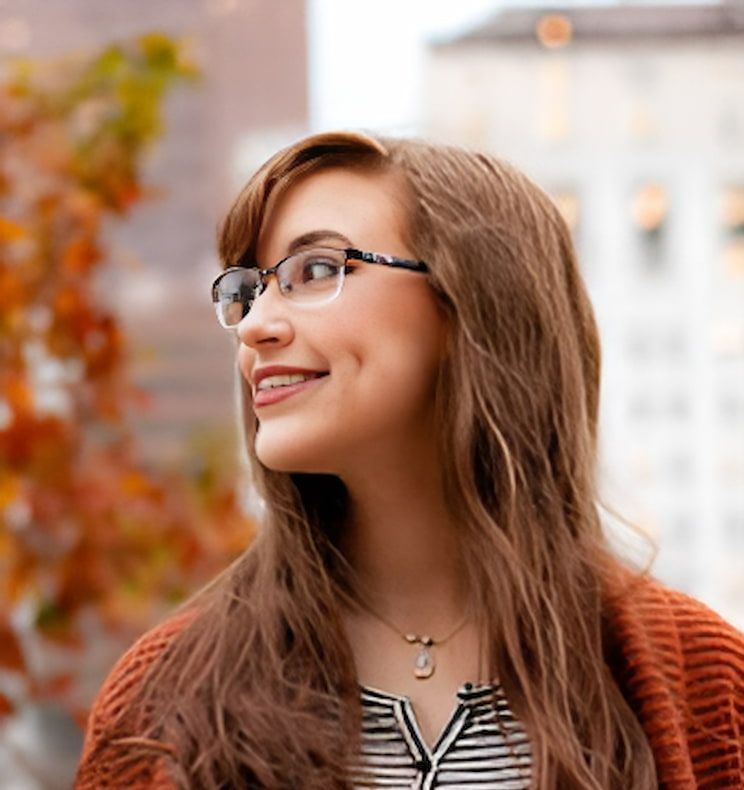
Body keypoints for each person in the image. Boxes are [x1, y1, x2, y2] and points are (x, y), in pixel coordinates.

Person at [75, 131, 744, 789]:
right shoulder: (160, 702)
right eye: (249, 290)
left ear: (470, 304)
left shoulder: (705, 684)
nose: (254, 327)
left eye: (315, 271)